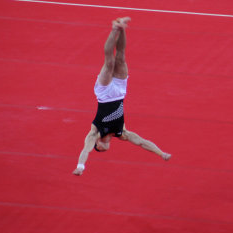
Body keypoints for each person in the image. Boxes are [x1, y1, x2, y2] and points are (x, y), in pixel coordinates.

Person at [73, 17, 171, 176]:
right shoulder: (121, 133)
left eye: (99, 149)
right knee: (121, 57)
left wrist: (80, 167)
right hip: (119, 91)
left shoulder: (95, 132)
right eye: (103, 150)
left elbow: (86, 149)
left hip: (104, 94)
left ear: (97, 144)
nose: (102, 149)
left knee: (109, 62)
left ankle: (114, 28)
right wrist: (161, 153)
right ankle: (122, 28)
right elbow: (142, 143)